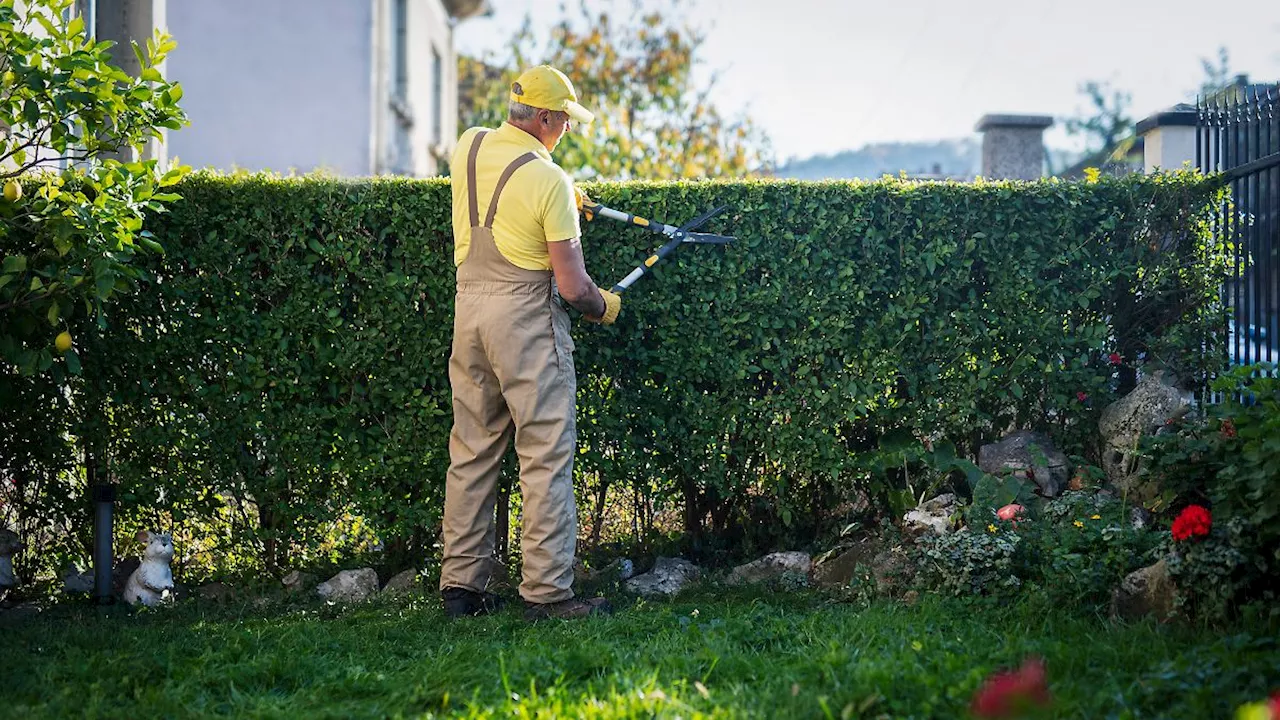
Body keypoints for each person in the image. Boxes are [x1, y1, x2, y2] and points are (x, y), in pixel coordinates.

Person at [439, 65, 620, 622]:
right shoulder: (550, 182)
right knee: (544, 453)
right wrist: (604, 307)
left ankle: (461, 591)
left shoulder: (468, 147)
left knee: (471, 448)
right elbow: (572, 288)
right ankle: (547, 595)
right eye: (564, 119)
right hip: (524, 319)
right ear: (543, 117)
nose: (567, 128)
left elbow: (507, 182)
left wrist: (565, 193)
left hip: (469, 313)